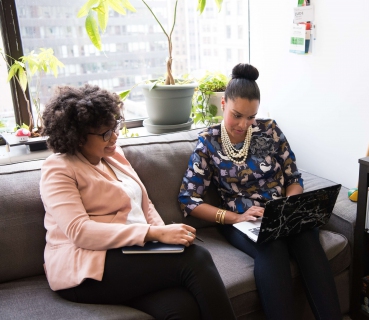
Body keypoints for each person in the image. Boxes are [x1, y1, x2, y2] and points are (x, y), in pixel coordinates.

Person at [40, 84, 236, 320]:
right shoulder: (59, 168)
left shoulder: (113, 155)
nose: (114, 136)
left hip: (129, 255)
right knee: (197, 258)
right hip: (85, 269)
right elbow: (79, 232)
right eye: (105, 133)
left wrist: (166, 236)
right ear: (78, 137)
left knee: (182, 308)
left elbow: (145, 204)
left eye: (114, 127)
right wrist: (153, 234)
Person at [178, 63, 342, 320]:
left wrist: (290, 206)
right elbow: (188, 200)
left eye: (251, 116)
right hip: (242, 220)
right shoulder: (208, 143)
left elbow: (293, 177)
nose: (244, 124)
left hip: (281, 212)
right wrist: (236, 217)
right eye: (237, 115)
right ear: (223, 104)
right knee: (272, 245)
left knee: (307, 237)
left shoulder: (270, 130)